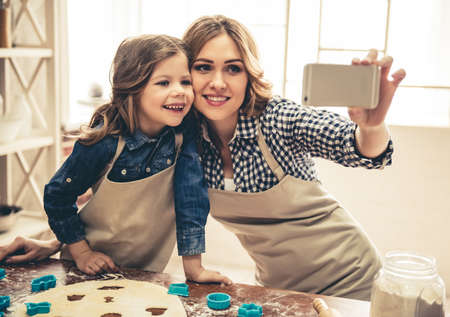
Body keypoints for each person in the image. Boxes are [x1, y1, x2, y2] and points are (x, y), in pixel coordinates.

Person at [180, 15, 406, 300]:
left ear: (249, 75)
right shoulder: (187, 141)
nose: (218, 82)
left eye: (233, 69)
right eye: (203, 67)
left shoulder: (277, 119)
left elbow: (361, 149)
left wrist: (371, 127)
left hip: (351, 281)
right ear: (186, 74)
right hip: (278, 288)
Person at [0, 34, 230, 285]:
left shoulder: (183, 139)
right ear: (132, 87)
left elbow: (191, 203)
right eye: (163, 83)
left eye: (185, 82)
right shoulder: (104, 141)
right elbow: (58, 195)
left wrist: (194, 269)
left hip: (142, 274)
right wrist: (81, 252)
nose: (179, 91)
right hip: (84, 269)